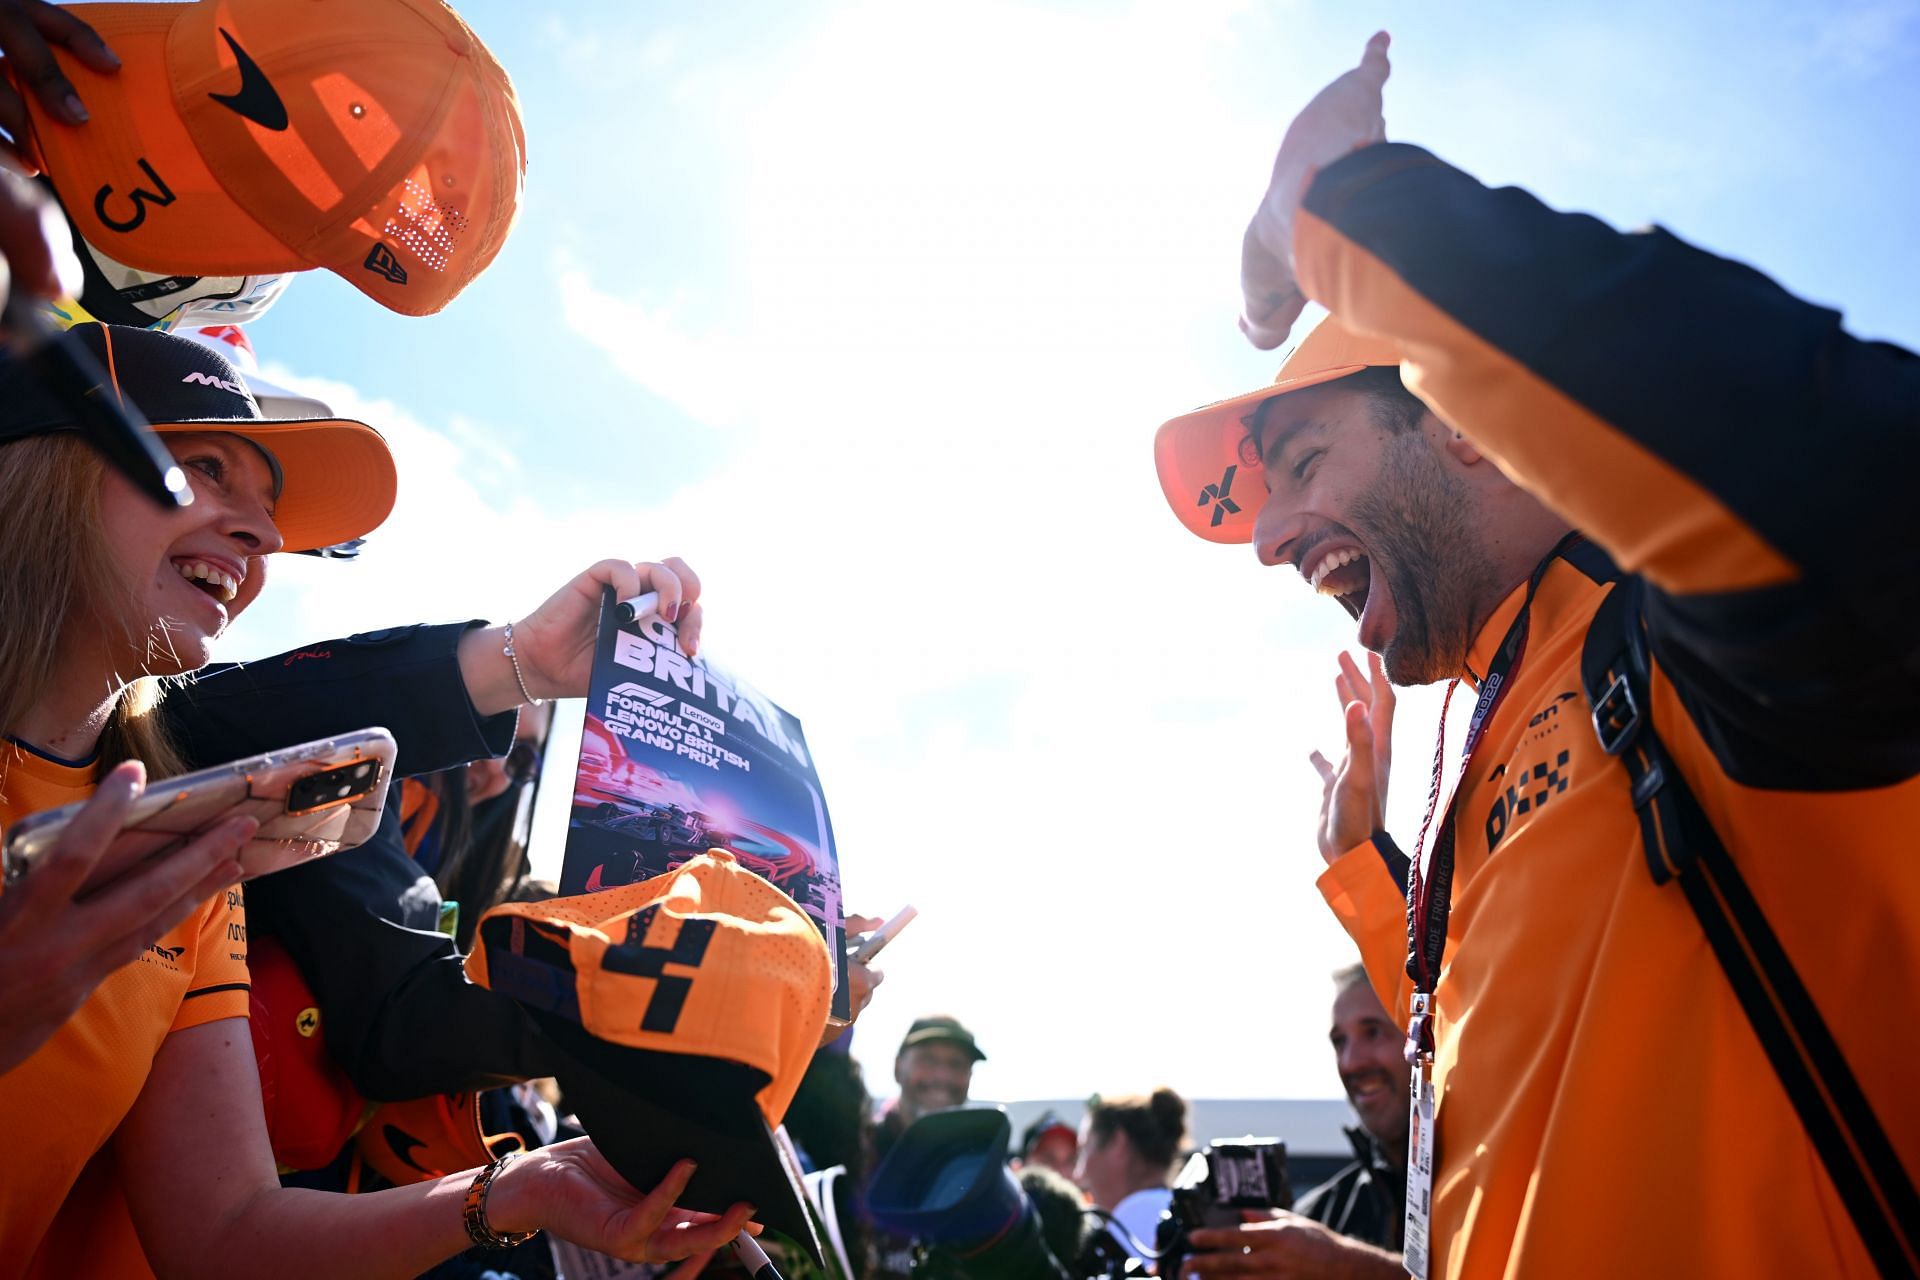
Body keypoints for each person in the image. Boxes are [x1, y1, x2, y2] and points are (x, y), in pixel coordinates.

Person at [1156, 33, 1920, 1278]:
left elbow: (1836, 470)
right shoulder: (1493, 708)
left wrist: (1352, 220)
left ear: (1461, 420)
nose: (1271, 538)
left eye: (1302, 463)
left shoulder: (1682, 637)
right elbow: (1531, 1096)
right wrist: (1367, 870)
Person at [0, 322, 756, 1275]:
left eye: (268, 504)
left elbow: (226, 1233)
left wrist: (516, 1192)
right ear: (46, 466)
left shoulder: (188, 837)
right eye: (203, 466)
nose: (266, 534)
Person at [1073, 1087, 1187, 1264]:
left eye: (1085, 1149)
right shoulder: (1177, 1214)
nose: (1078, 1174)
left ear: (1118, 1143)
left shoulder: (1136, 1214)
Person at [875, 1014, 987, 1158]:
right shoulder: (855, 1150)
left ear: (970, 1075)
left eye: (956, 1064)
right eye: (927, 1060)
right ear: (898, 1068)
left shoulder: (982, 1163)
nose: (942, 1076)